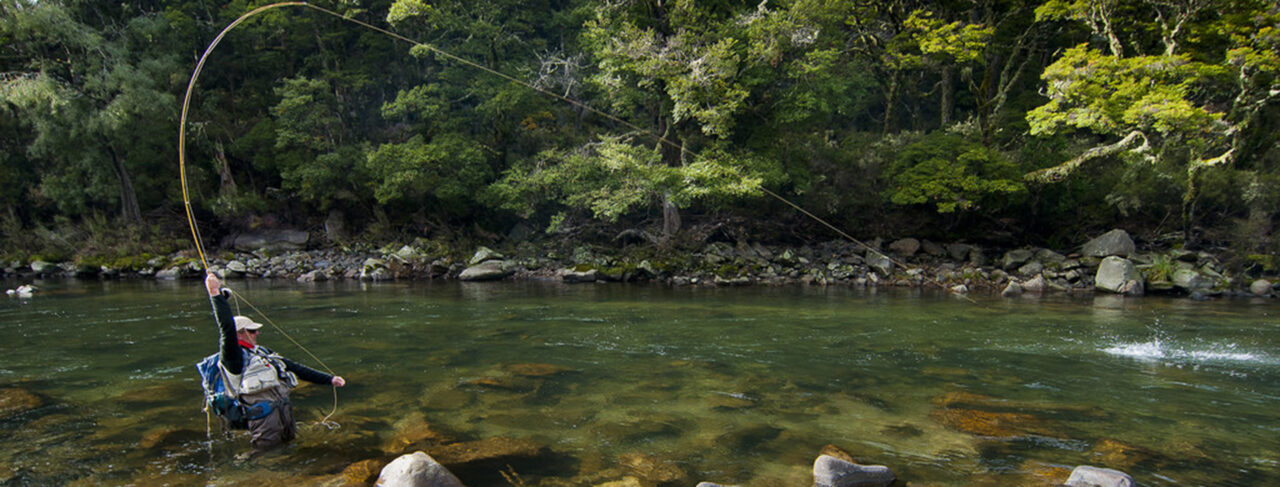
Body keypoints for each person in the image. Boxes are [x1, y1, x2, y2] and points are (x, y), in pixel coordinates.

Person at [204, 273, 346, 450]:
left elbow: (295, 368)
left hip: (283, 412)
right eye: (252, 330)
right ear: (240, 333)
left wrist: (330, 379)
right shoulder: (232, 357)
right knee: (268, 456)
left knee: (290, 448)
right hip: (263, 419)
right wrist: (215, 293)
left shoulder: (263, 352)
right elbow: (226, 329)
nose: (256, 333)